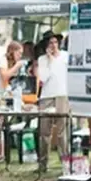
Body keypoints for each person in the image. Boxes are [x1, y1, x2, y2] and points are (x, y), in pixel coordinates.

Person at [35, 31, 69, 172]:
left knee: (62, 133)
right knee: (44, 132)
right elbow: (43, 78)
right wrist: (49, 60)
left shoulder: (66, 56)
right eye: (50, 43)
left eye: (55, 42)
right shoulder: (42, 59)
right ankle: (43, 164)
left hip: (62, 95)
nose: (53, 45)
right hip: (46, 96)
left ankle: (65, 164)